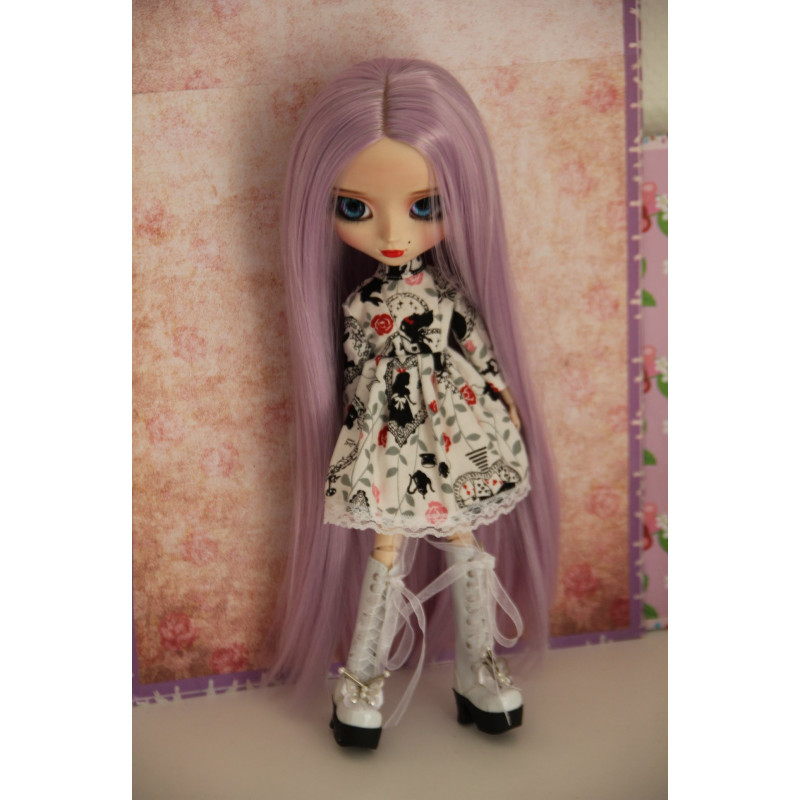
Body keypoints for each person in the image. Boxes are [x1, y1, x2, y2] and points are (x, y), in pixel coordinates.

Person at [266, 58, 559, 750]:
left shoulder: (446, 295)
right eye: (356, 209)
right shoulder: (359, 303)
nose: (392, 234)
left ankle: (478, 667)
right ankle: (362, 675)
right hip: (387, 438)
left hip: (454, 433)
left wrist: (504, 401)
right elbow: (354, 371)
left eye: (424, 206)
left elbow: (477, 351)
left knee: (463, 537)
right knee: (386, 546)